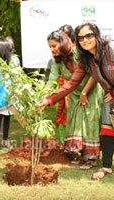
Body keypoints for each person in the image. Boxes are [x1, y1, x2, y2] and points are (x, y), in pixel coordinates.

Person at [39, 22, 114, 182]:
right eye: (81, 38)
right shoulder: (85, 60)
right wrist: (49, 99)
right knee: (107, 127)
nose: (85, 40)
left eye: (89, 35)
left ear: (96, 35)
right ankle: (106, 166)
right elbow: (71, 83)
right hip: (111, 89)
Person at [45, 30, 104, 169]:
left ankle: (92, 158)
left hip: (92, 90)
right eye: (50, 47)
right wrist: (43, 97)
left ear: (63, 43)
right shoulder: (58, 61)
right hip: (75, 93)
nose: (52, 49)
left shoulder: (78, 53)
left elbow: (94, 73)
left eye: (54, 46)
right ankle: (82, 155)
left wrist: (85, 92)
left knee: (90, 122)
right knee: (76, 122)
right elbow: (51, 81)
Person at [0, 38, 21, 151]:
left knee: (8, 115)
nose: (12, 48)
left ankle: (5, 139)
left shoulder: (14, 60)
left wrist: (17, 90)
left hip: (10, 92)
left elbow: (17, 75)